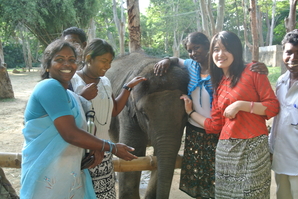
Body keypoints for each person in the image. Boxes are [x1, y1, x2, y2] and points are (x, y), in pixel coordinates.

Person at [154, 32, 268, 199]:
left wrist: (259, 66)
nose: (193, 53)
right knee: (198, 177)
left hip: (220, 132)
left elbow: (240, 71)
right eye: (190, 50)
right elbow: (176, 60)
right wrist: (166, 60)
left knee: (220, 179)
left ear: (208, 46)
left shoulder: (220, 70)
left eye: (197, 48)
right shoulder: (191, 65)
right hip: (195, 131)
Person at [20, 39, 137, 199]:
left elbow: (86, 123)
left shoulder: (69, 95)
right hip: (47, 173)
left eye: (72, 60)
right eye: (59, 60)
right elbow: (71, 134)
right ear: (47, 65)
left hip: (67, 170)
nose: (67, 64)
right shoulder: (49, 87)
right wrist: (112, 147)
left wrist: (96, 146)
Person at [180, 31, 279, 199]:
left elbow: (273, 107)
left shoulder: (253, 71)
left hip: (253, 147)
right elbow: (215, 126)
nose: (220, 54)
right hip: (226, 151)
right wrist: (190, 112)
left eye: (225, 49)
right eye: (216, 49)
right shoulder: (219, 85)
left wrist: (241, 105)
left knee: (253, 194)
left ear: (236, 50)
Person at [70, 38, 146, 198]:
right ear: (89, 58)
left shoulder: (105, 82)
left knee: (105, 194)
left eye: (110, 62)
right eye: (103, 61)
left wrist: (128, 87)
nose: (108, 66)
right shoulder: (72, 81)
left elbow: (114, 110)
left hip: (104, 151)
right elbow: (66, 117)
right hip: (79, 153)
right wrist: (81, 97)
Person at [269, 29, 298, 199]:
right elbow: (278, 119)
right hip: (280, 159)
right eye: (289, 52)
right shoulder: (281, 81)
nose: (293, 58)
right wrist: (271, 147)